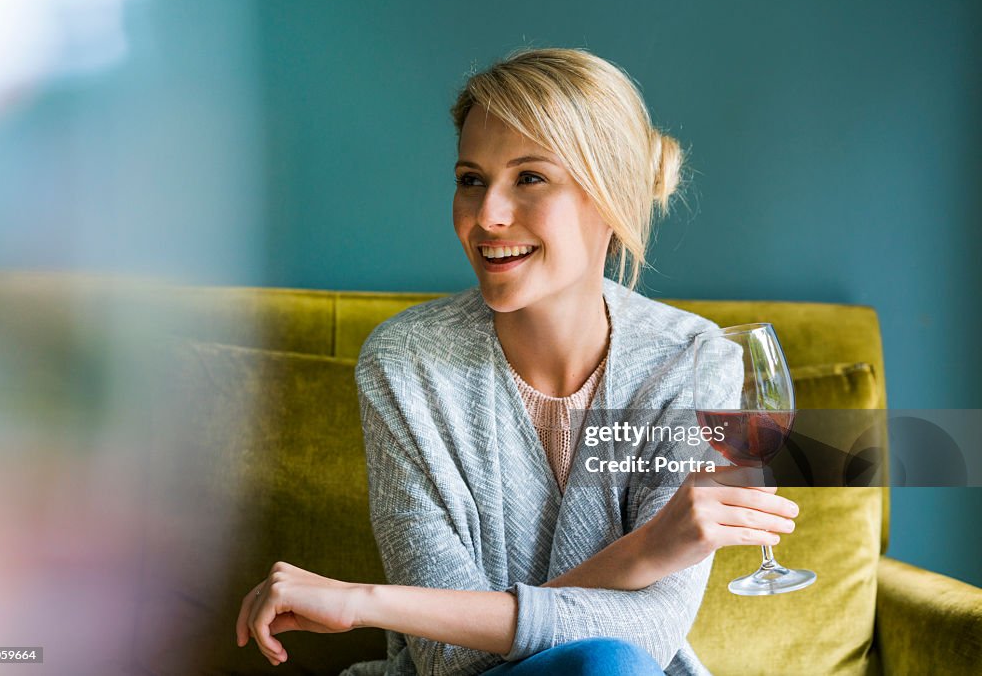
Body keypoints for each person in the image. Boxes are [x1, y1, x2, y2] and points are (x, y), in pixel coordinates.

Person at [235, 47, 800, 676]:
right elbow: (448, 658)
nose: (486, 216)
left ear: (610, 199)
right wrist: (647, 552)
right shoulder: (405, 365)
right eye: (471, 179)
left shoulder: (695, 361)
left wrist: (367, 603)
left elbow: (652, 631)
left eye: (530, 178)